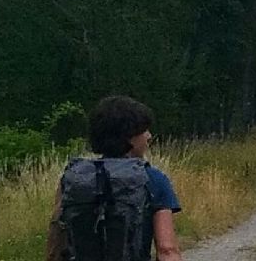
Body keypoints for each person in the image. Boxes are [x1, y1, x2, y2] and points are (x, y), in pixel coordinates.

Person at [46, 95, 183, 261]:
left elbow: (56, 240)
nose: (149, 136)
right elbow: (167, 249)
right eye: (144, 130)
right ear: (130, 137)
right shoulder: (153, 179)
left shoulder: (75, 177)